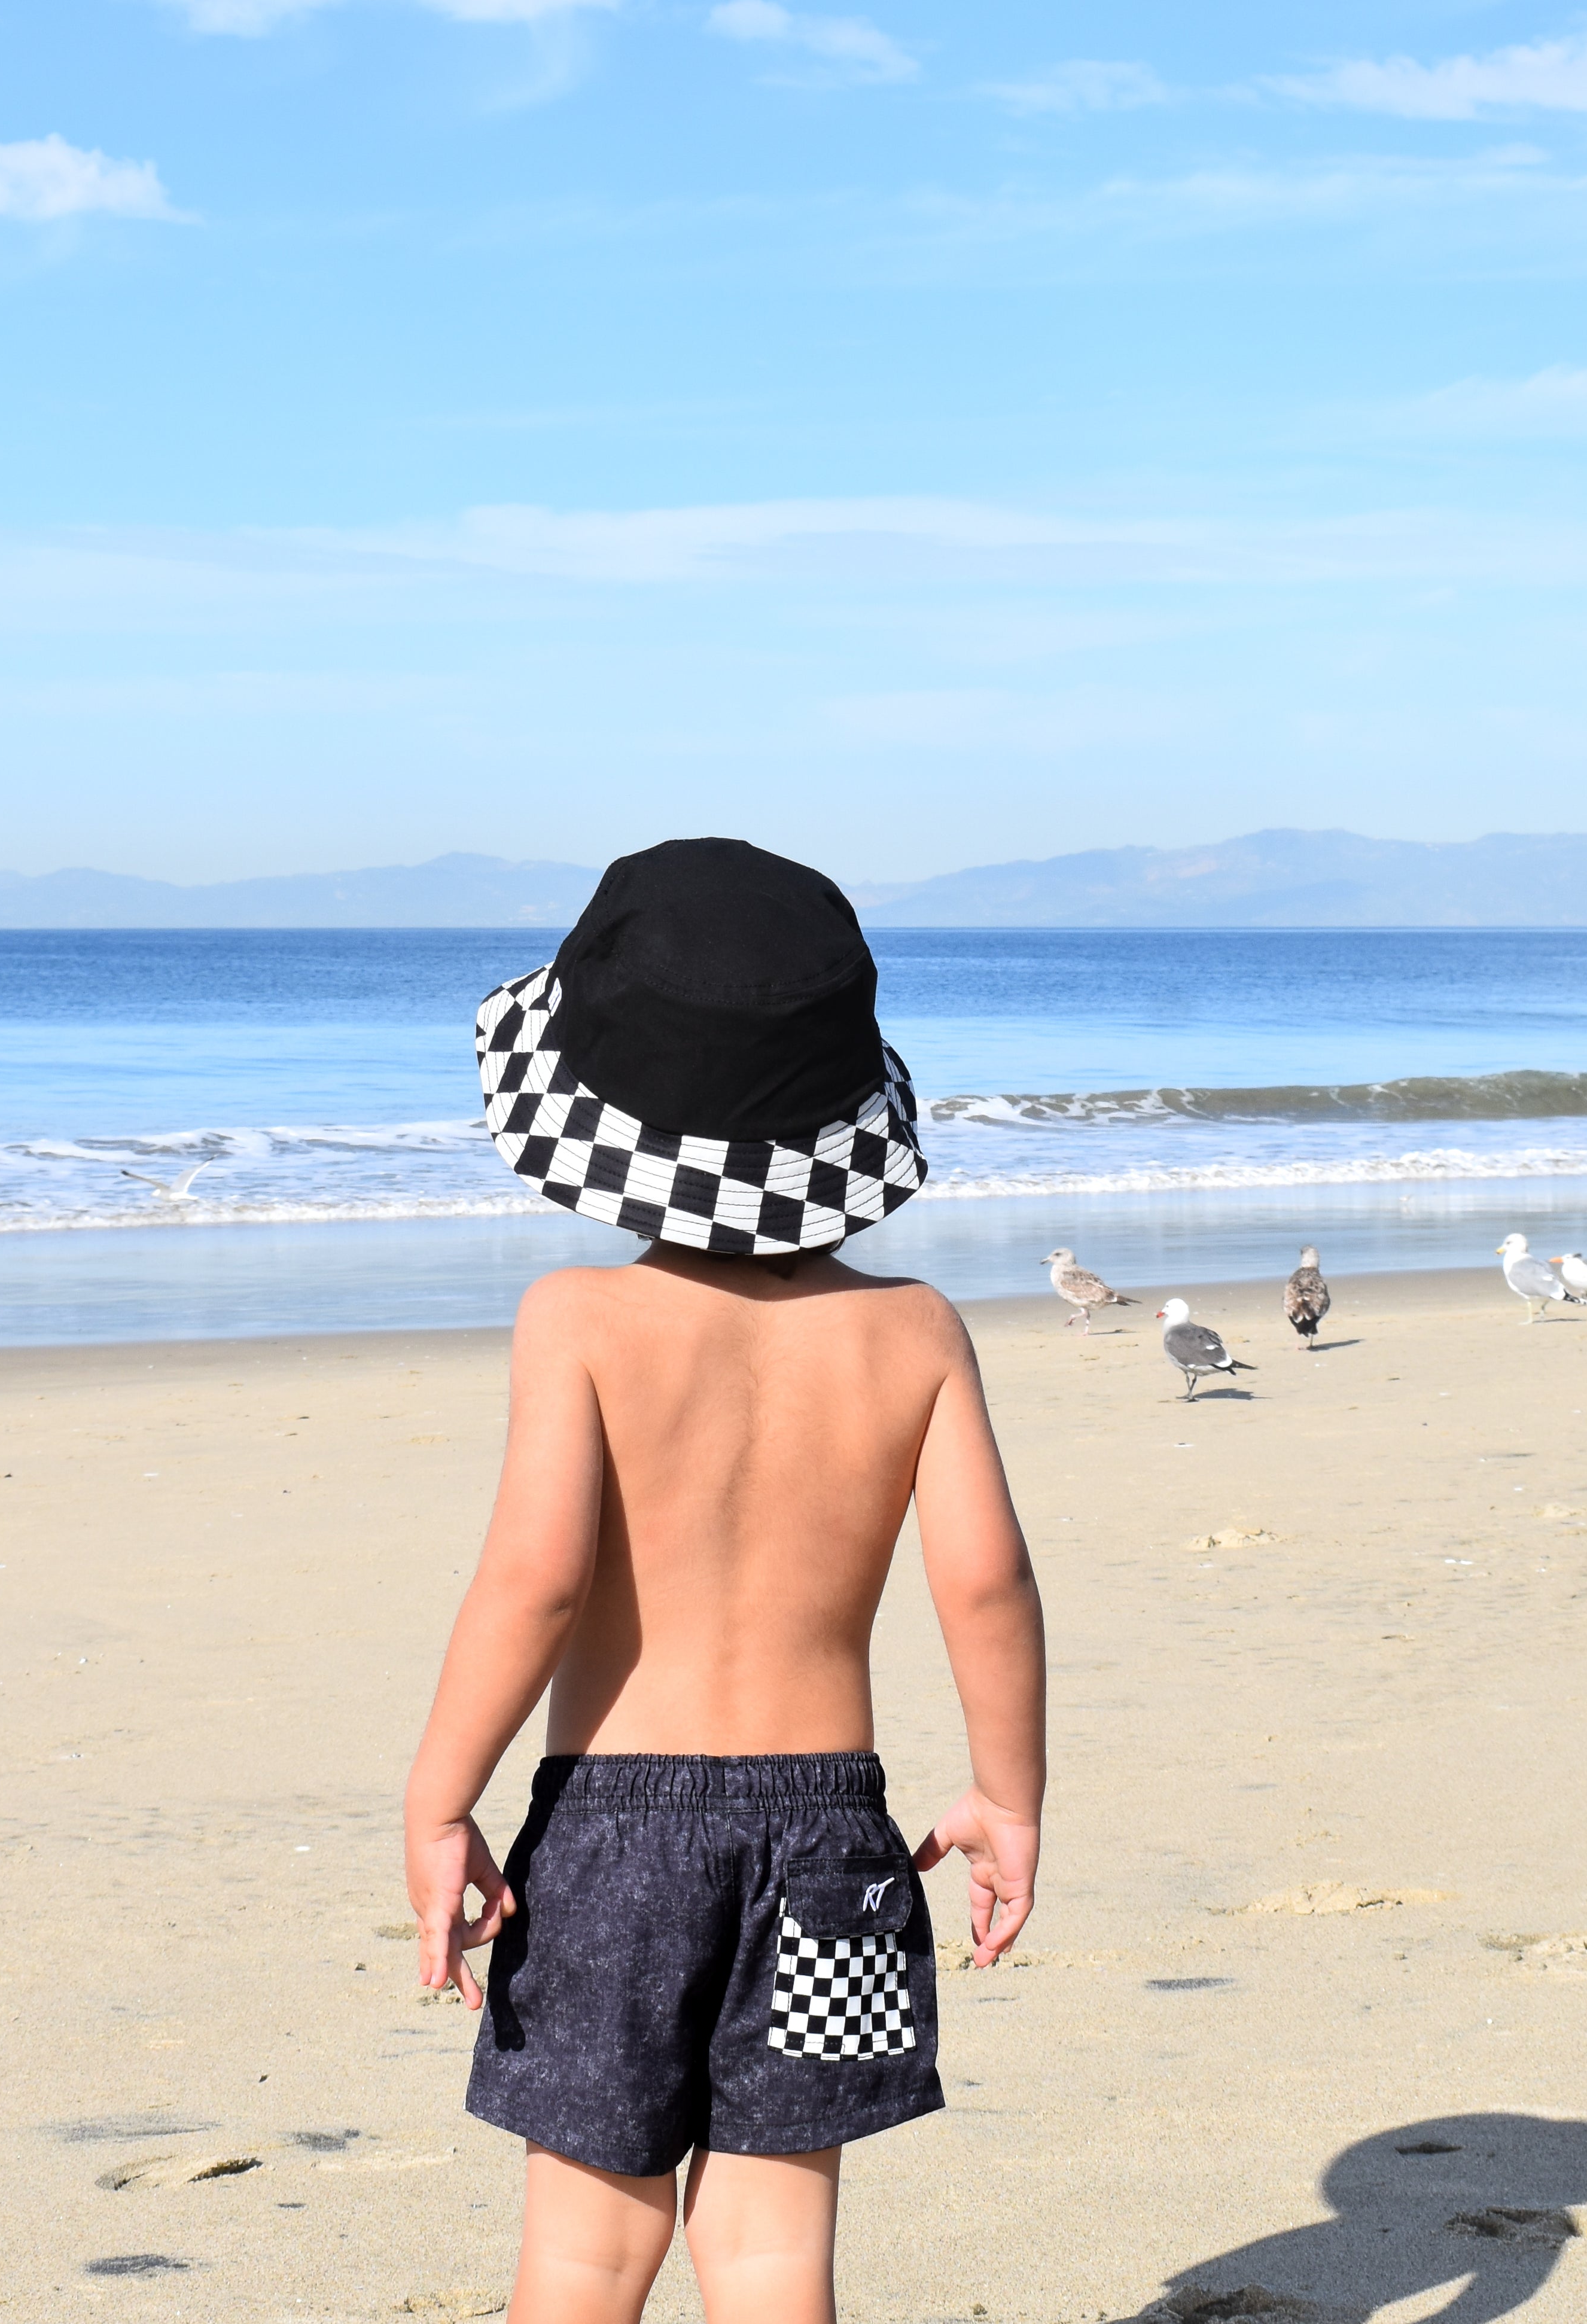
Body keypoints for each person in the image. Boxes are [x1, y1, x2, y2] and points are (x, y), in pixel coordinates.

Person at [404, 837, 1046, 2324]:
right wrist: (1005, 1794)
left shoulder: (578, 1319)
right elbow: (988, 1583)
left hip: (618, 1850)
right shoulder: (914, 1331)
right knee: (768, 2251)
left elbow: (534, 1582)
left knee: (584, 2250)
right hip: (831, 1836)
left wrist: (441, 1799)